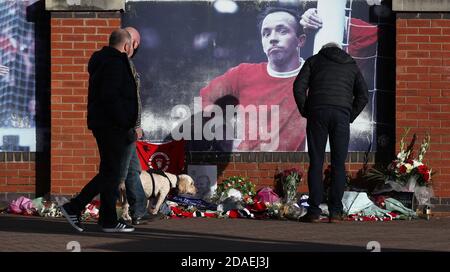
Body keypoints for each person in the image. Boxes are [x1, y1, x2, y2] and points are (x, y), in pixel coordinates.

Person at [60, 29, 138, 232]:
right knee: (110, 173)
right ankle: (74, 206)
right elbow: (110, 96)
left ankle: (108, 220)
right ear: (127, 46)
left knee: (109, 173)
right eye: (132, 46)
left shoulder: (103, 60)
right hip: (112, 126)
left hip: (106, 124)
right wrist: (123, 121)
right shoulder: (115, 62)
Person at [199, 6, 308, 151]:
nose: (273, 38)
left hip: (293, 171)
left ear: (300, 40)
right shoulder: (242, 74)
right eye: (266, 34)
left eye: (282, 31)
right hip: (248, 167)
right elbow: (205, 98)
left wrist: (319, 16)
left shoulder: (316, 77)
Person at [293, 42, 368, 223]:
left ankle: (314, 211)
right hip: (341, 114)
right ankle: (335, 212)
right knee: (338, 164)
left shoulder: (313, 61)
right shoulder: (351, 64)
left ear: (323, 50)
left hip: (317, 112)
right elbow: (363, 95)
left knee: (316, 162)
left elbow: (298, 87)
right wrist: (349, 115)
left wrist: (306, 110)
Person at [121, 26, 151, 225]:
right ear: (134, 44)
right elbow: (133, 101)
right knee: (115, 172)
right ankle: (77, 205)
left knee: (132, 169)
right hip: (124, 127)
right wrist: (137, 125)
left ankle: (139, 210)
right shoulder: (124, 65)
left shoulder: (120, 63)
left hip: (123, 126)